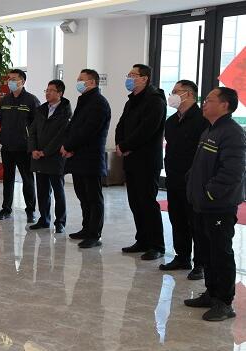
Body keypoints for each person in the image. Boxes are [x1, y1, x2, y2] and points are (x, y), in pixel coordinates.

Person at [184, 87, 246, 322]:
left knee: (220, 253)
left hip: (219, 205)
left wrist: (210, 193)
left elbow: (233, 172)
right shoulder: (210, 130)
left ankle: (224, 302)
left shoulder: (232, 133)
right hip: (203, 204)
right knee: (206, 251)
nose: (204, 103)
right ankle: (211, 293)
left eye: (209, 100)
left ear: (224, 105)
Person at [116, 64, 167, 260]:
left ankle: (157, 245)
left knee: (147, 202)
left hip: (147, 160)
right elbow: (121, 125)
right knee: (135, 202)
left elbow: (147, 130)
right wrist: (120, 144)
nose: (129, 78)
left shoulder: (155, 100)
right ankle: (143, 240)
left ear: (144, 78)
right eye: (128, 74)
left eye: (133, 75)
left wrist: (126, 145)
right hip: (131, 158)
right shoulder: (132, 100)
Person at [160, 79, 207, 279]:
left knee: (196, 223)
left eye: (175, 91)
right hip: (174, 178)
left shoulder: (202, 119)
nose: (172, 95)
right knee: (177, 219)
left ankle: (201, 264)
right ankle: (182, 257)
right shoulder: (171, 121)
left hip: (194, 181)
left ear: (188, 94)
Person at [60, 69, 111, 249]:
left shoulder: (99, 103)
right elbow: (73, 127)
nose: (78, 82)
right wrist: (67, 145)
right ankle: (86, 228)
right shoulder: (84, 101)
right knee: (83, 195)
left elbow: (88, 131)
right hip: (78, 157)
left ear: (92, 82)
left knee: (93, 198)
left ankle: (94, 234)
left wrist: (69, 146)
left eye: (81, 79)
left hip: (91, 158)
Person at [0, 69, 40, 223]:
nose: (10, 82)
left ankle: (30, 210)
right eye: (9, 79)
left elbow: (37, 125)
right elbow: (0, 119)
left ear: (23, 81)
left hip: (24, 147)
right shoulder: (5, 100)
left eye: (14, 79)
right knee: (7, 179)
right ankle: (6, 209)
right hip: (7, 146)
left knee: (27, 180)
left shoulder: (31, 100)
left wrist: (32, 144)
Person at [28, 79, 72, 233]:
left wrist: (45, 152)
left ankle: (60, 222)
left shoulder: (65, 112)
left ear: (60, 93)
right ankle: (44, 219)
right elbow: (32, 131)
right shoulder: (41, 110)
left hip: (55, 157)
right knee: (42, 191)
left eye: (51, 90)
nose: (47, 93)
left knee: (58, 191)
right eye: (46, 90)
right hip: (38, 157)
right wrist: (33, 149)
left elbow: (61, 136)